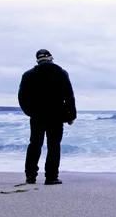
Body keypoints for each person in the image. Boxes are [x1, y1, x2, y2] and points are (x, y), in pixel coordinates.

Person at [18, 49, 77, 185]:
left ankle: (30, 176)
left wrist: (30, 112)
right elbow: (69, 96)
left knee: (35, 144)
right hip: (56, 115)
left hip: (37, 115)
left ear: (37, 60)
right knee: (54, 146)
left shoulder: (28, 75)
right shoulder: (61, 73)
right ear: (51, 58)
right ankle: (51, 177)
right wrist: (71, 115)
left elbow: (22, 97)